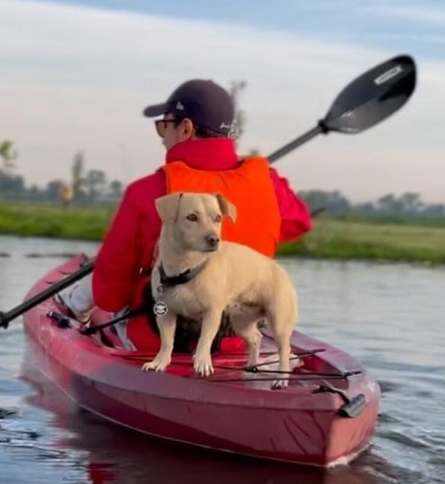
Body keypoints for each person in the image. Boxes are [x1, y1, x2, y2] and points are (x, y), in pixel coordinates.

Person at [59, 79, 312, 352]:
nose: (161, 136)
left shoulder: (146, 192)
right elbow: (299, 221)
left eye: (164, 125)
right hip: (236, 342)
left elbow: (110, 297)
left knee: (124, 287)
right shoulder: (268, 183)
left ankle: (71, 308)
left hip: (156, 340)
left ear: (186, 128)